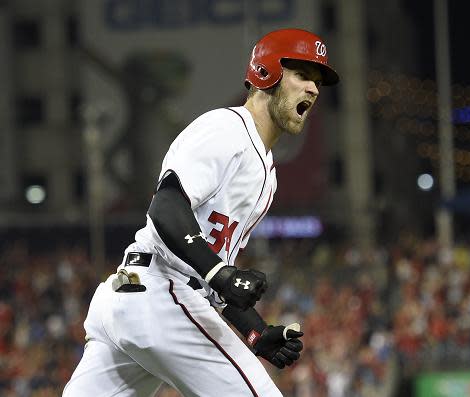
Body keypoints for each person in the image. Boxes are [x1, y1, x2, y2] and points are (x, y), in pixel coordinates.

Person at [63, 28, 339, 397]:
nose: (314, 89)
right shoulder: (226, 128)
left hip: (134, 298)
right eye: (303, 75)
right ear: (265, 73)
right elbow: (165, 206)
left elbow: (214, 273)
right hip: (163, 293)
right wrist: (221, 273)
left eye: (318, 81)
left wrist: (256, 331)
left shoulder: (266, 173)